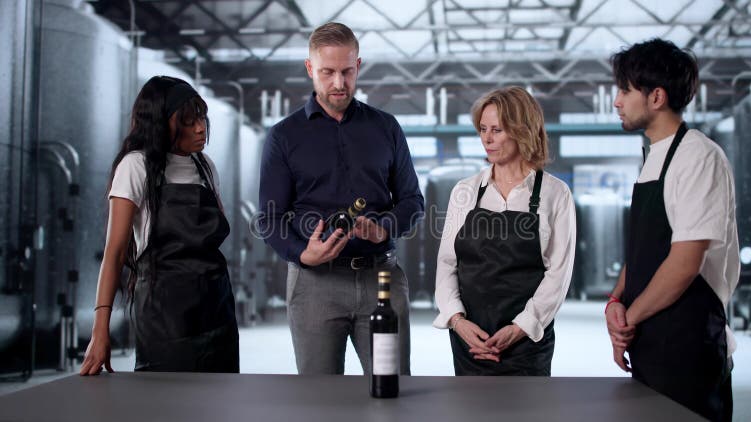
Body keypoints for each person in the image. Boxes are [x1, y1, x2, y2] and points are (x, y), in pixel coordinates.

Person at [257, 22, 423, 375]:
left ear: (358, 66)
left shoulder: (386, 128)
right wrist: (303, 253)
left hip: (381, 278)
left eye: (347, 71)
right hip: (314, 284)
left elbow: (412, 200)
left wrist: (383, 228)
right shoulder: (283, 136)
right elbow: (270, 218)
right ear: (309, 68)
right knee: (319, 396)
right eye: (327, 72)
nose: (339, 83)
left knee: (391, 387)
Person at [605, 38, 739, 421]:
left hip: (689, 348)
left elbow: (683, 264)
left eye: (625, 90)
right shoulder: (653, 158)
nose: (616, 101)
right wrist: (615, 302)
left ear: (656, 97)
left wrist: (628, 321)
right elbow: (646, 251)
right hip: (649, 341)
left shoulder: (698, 156)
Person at [80, 76, 239, 374]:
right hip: (164, 317)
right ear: (160, 123)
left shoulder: (205, 166)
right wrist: (100, 331)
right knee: (164, 398)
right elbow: (114, 254)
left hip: (218, 311)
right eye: (189, 121)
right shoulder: (136, 166)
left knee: (221, 397)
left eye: (201, 118)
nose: (201, 128)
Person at [433, 86, 576, 376]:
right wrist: (458, 321)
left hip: (526, 344)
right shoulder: (465, 191)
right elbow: (447, 263)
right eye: (483, 129)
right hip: (470, 342)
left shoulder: (555, 193)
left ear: (523, 131)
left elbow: (558, 276)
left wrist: (520, 327)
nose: (486, 139)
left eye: (497, 130)